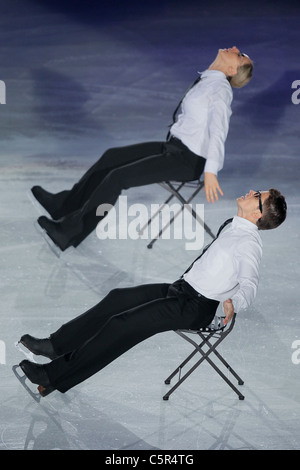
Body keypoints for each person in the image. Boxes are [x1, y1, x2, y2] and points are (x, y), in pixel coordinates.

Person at [18, 188, 287, 397]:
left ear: (257, 214)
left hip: (195, 307)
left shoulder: (250, 243)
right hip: (181, 290)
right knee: (117, 300)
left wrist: (234, 303)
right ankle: (57, 345)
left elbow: (250, 285)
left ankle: (51, 377)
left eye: (257, 196)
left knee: (121, 326)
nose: (251, 192)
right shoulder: (234, 225)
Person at [31, 47, 253, 252]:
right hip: (174, 148)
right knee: (112, 157)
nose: (234, 48)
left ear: (232, 70)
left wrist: (211, 170)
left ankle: (71, 230)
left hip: (188, 161)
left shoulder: (221, 90)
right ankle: (65, 205)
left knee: (117, 178)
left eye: (240, 54)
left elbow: (218, 131)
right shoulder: (208, 80)